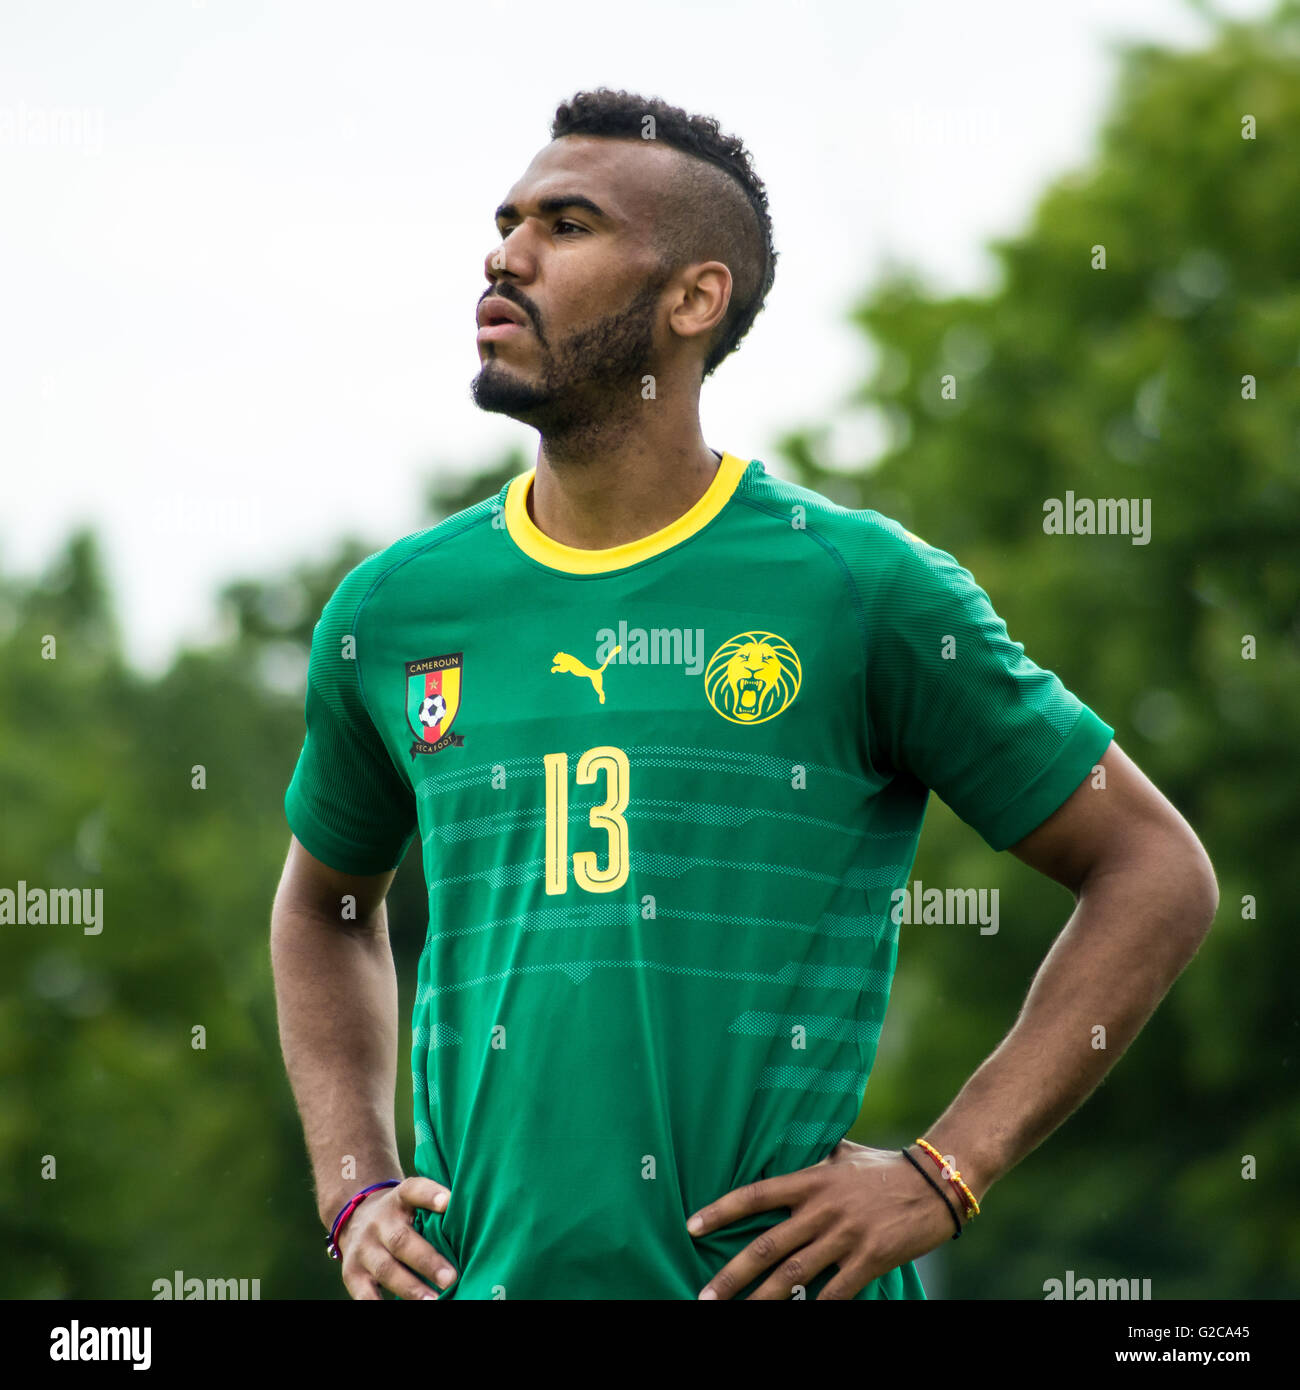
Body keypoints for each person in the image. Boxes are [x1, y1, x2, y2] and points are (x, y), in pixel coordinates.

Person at [270, 88, 1218, 1301]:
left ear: (693, 298)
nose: (505, 254)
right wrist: (354, 1186)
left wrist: (945, 1171)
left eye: (566, 226)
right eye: (505, 221)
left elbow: (1153, 870)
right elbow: (323, 908)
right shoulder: (391, 612)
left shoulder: (861, 592)